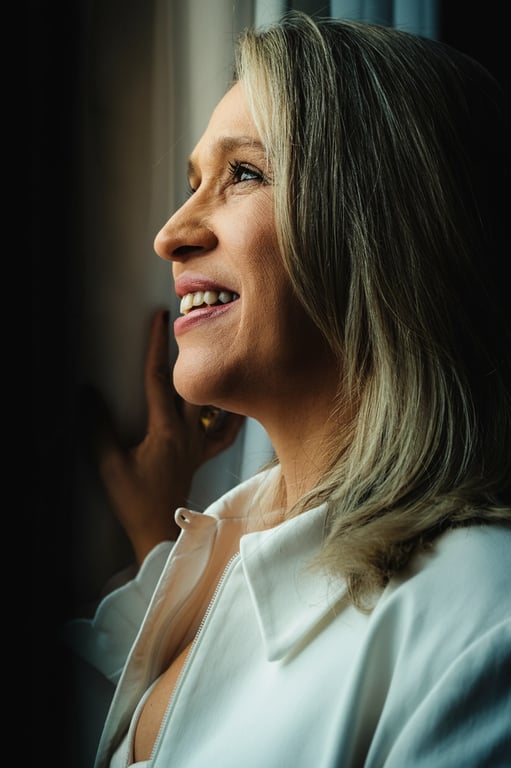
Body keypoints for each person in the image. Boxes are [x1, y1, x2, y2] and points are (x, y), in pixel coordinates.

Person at [64, 11, 511, 768]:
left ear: (387, 230)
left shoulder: (481, 612)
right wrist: (158, 546)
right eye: (193, 181)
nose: (170, 234)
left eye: (243, 174)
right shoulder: (213, 554)